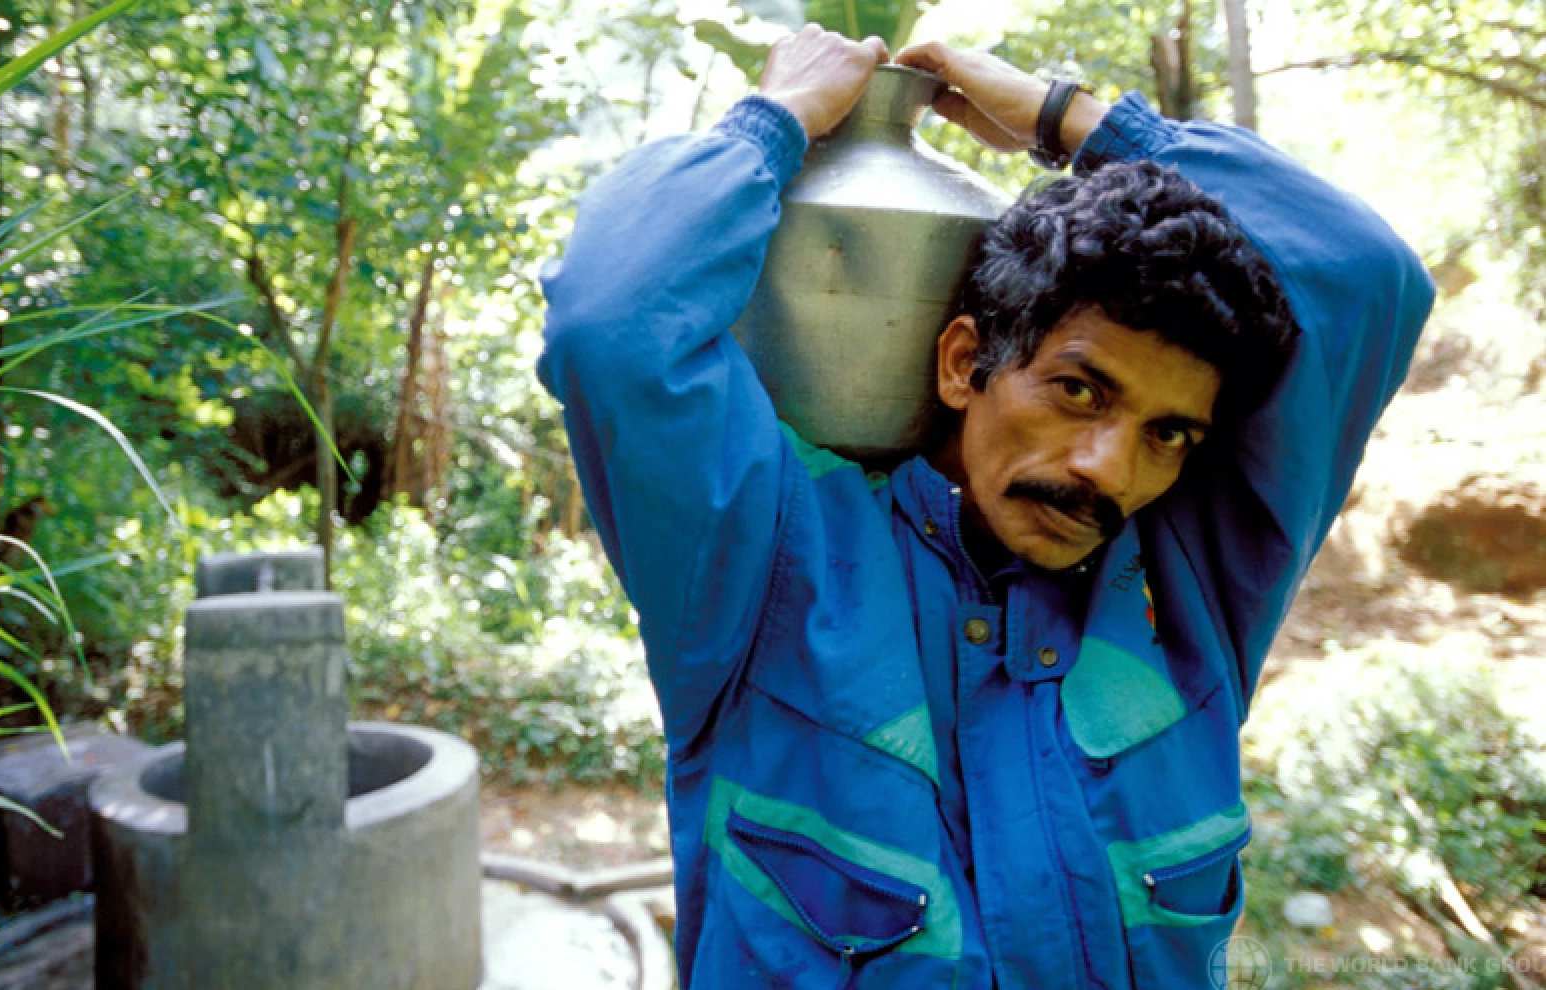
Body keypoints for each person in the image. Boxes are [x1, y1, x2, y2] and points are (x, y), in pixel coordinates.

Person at [537, 25, 1434, 990]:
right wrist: (776, 119)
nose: (1108, 470)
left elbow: (1367, 277)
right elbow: (613, 322)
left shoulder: (1189, 601)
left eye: (1167, 433)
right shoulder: (771, 575)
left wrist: (1066, 117)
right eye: (1079, 392)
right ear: (967, 363)